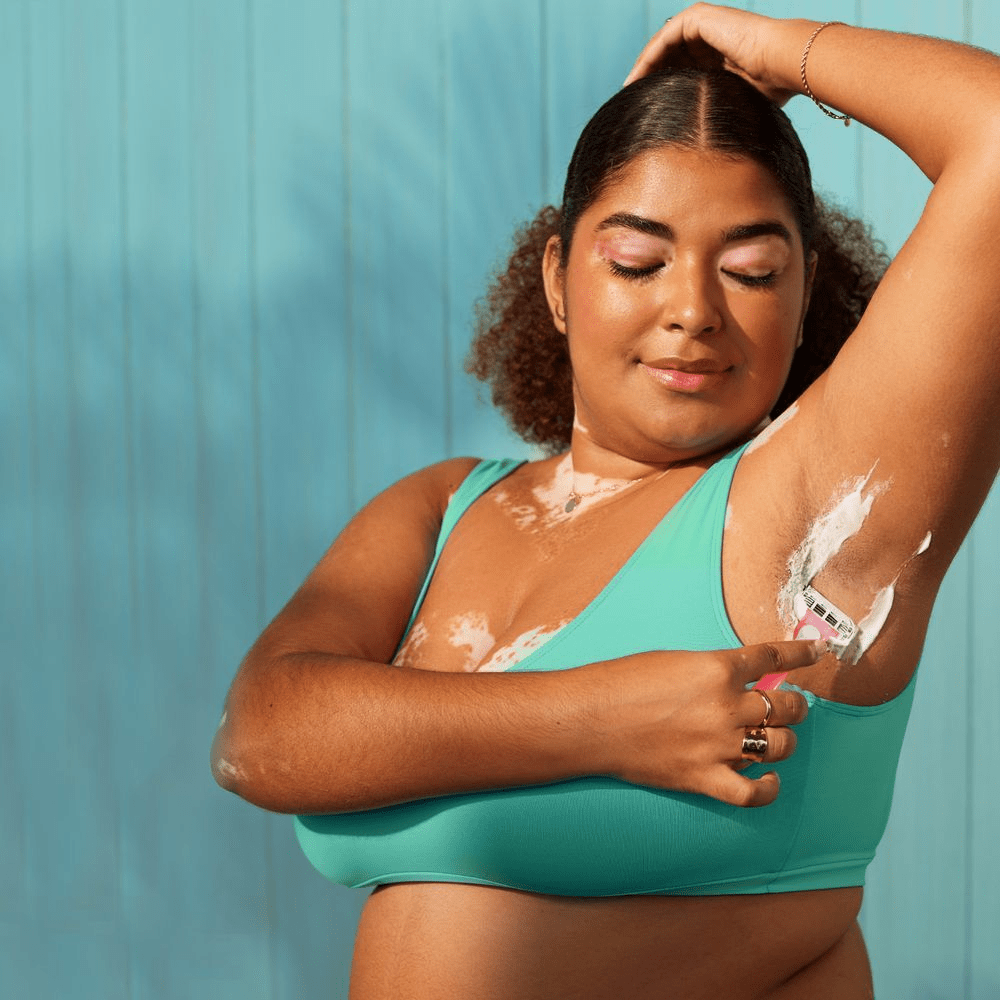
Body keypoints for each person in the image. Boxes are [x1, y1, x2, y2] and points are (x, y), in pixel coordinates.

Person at [211, 6, 1000, 997]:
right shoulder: (442, 511)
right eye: (636, 260)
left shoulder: (808, 515)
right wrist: (608, 719)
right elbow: (263, 735)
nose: (691, 310)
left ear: (806, 299)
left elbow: (770, 742)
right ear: (555, 279)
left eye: (752, 271)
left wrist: (772, 50)